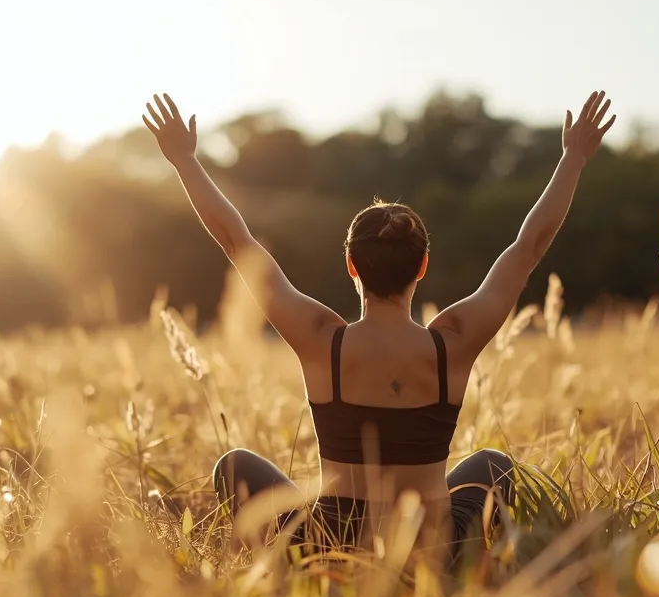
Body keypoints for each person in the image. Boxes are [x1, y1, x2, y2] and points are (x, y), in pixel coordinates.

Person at [142, 90, 615, 567]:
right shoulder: (454, 340)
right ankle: (462, 568)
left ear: (351, 265)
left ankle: (291, 569)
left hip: (332, 548)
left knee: (234, 466)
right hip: (434, 550)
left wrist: (184, 161)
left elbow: (235, 239)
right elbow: (528, 245)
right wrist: (573, 158)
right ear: (423, 265)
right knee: (495, 463)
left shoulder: (320, 338)